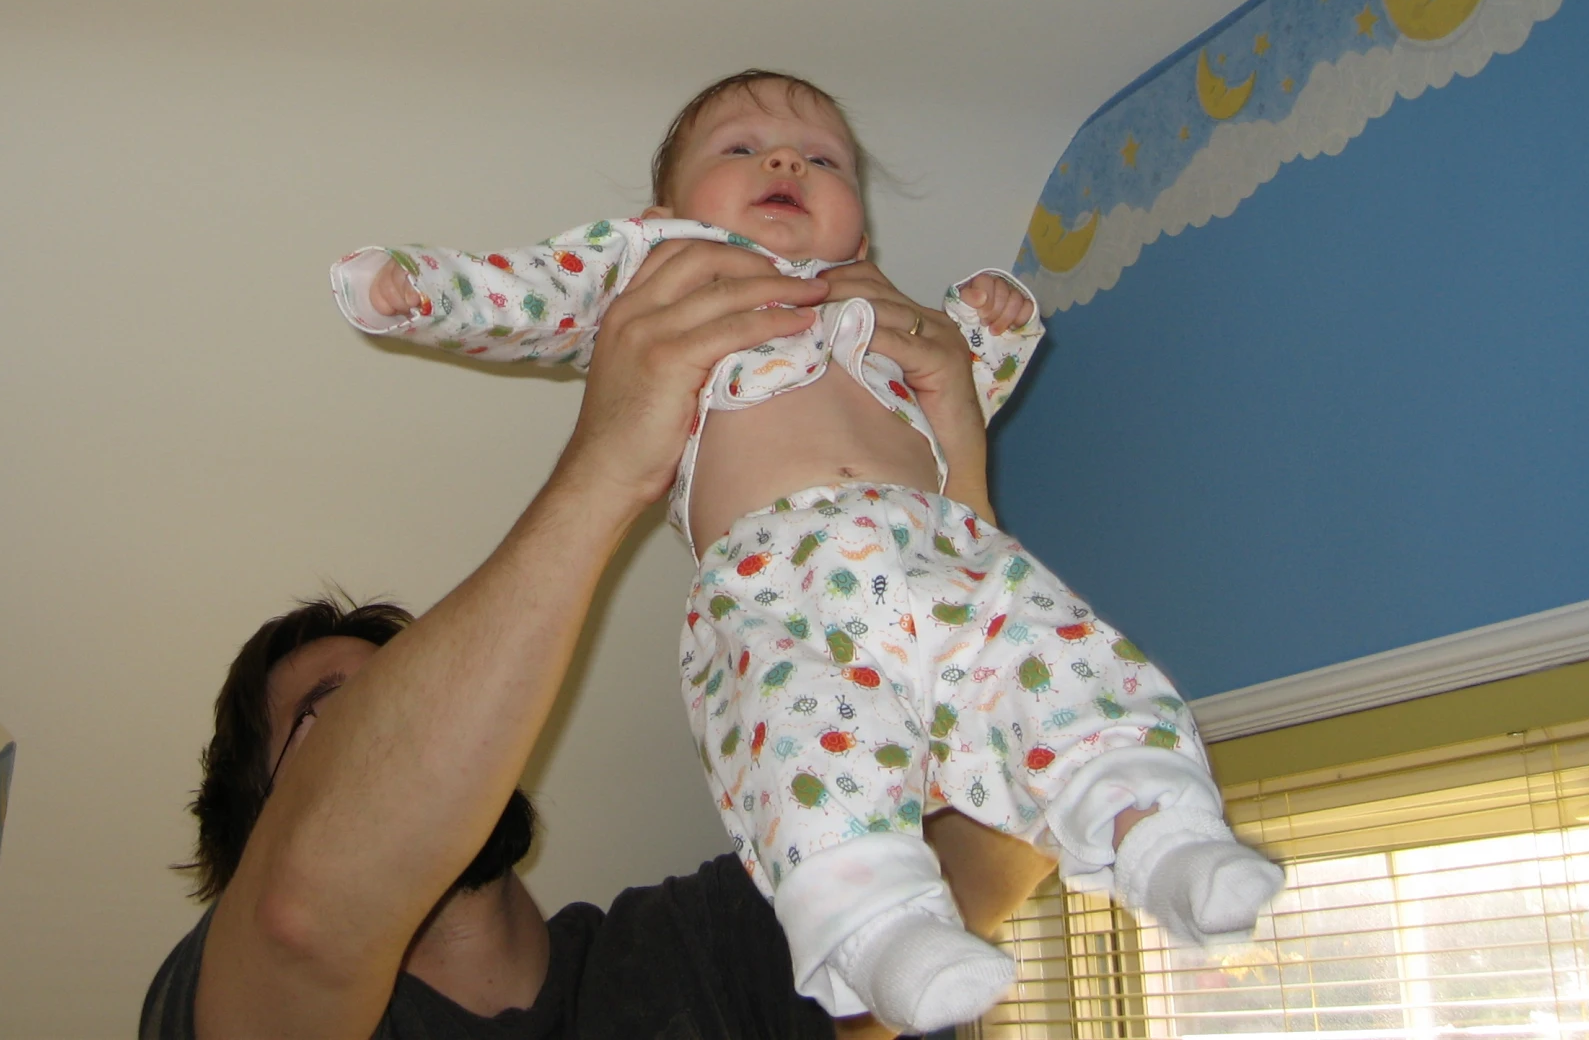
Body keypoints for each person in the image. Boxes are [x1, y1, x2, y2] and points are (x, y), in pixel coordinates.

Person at [331, 71, 1282, 1032]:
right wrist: (420, 293)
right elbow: (536, 288)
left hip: (944, 556)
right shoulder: (662, 266)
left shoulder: (867, 308)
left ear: (857, 235)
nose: (785, 160)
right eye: (739, 150)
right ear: (663, 213)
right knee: (817, 757)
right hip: (781, 580)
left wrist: (991, 322)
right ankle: (885, 936)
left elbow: (961, 384)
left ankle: (1166, 835)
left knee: (1064, 672)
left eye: (822, 159)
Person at [146, 238, 1051, 1039]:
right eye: (329, 717)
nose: (405, 717)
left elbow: (1003, 836)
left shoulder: (701, 948)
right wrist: (610, 462)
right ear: (254, 827)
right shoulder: (223, 995)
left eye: (403, 684)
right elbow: (301, 918)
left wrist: (952, 498)